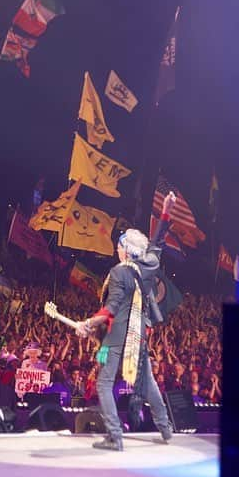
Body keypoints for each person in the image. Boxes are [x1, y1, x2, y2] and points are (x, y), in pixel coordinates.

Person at [75, 191, 177, 451]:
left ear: (126, 251)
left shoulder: (119, 271)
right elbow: (158, 243)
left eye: (119, 245)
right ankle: (165, 428)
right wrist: (166, 212)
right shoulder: (148, 266)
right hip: (138, 336)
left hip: (115, 336)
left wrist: (89, 323)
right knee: (147, 381)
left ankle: (114, 436)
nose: (117, 248)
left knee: (104, 382)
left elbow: (111, 308)